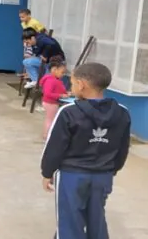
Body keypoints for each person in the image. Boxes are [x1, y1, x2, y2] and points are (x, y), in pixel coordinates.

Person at [41, 62, 131, 239]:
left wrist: (47, 172)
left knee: (69, 220)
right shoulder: (122, 112)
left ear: (81, 85)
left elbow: (55, 146)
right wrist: (113, 169)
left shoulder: (68, 112)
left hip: (72, 175)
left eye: (73, 83)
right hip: (103, 175)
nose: (71, 87)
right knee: (96, 218)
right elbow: (123, 147)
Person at [39, 60, 70, 140]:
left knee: (50, 119)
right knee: (50, 119)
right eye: (62, 72)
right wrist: (61, 95)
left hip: (51, 103)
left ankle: (47, 135)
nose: (63, 75)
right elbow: (47, 93)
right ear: (54, 70)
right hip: (50, 103)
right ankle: (47, 136)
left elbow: (57, 89)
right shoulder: (51, 80)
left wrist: (66, 93)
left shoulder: (54, 79)